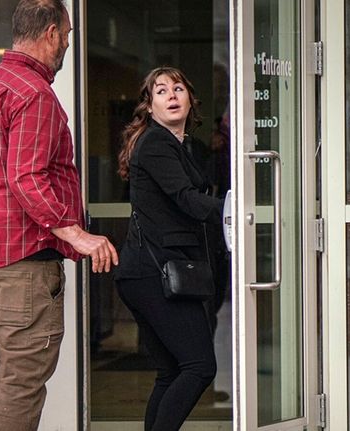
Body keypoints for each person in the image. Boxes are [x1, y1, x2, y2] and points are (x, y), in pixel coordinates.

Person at [0, 1, 118, 430]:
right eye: (67, 33)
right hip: (23, 267)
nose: (68, 41)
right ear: (50, 33)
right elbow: (27, 178)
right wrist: (79, 236)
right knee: (19, 386)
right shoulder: (34, 94)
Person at [114, 67, 224, 431]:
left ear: (190, 98)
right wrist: (234, 209)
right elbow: (187, 200)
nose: (172, 95)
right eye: (161, 91)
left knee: (171, 371)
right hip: (153, 272)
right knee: (199, 366)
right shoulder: (158, 143)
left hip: (146, 271)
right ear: (149, 106)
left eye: (178, 88)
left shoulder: (179, 145)